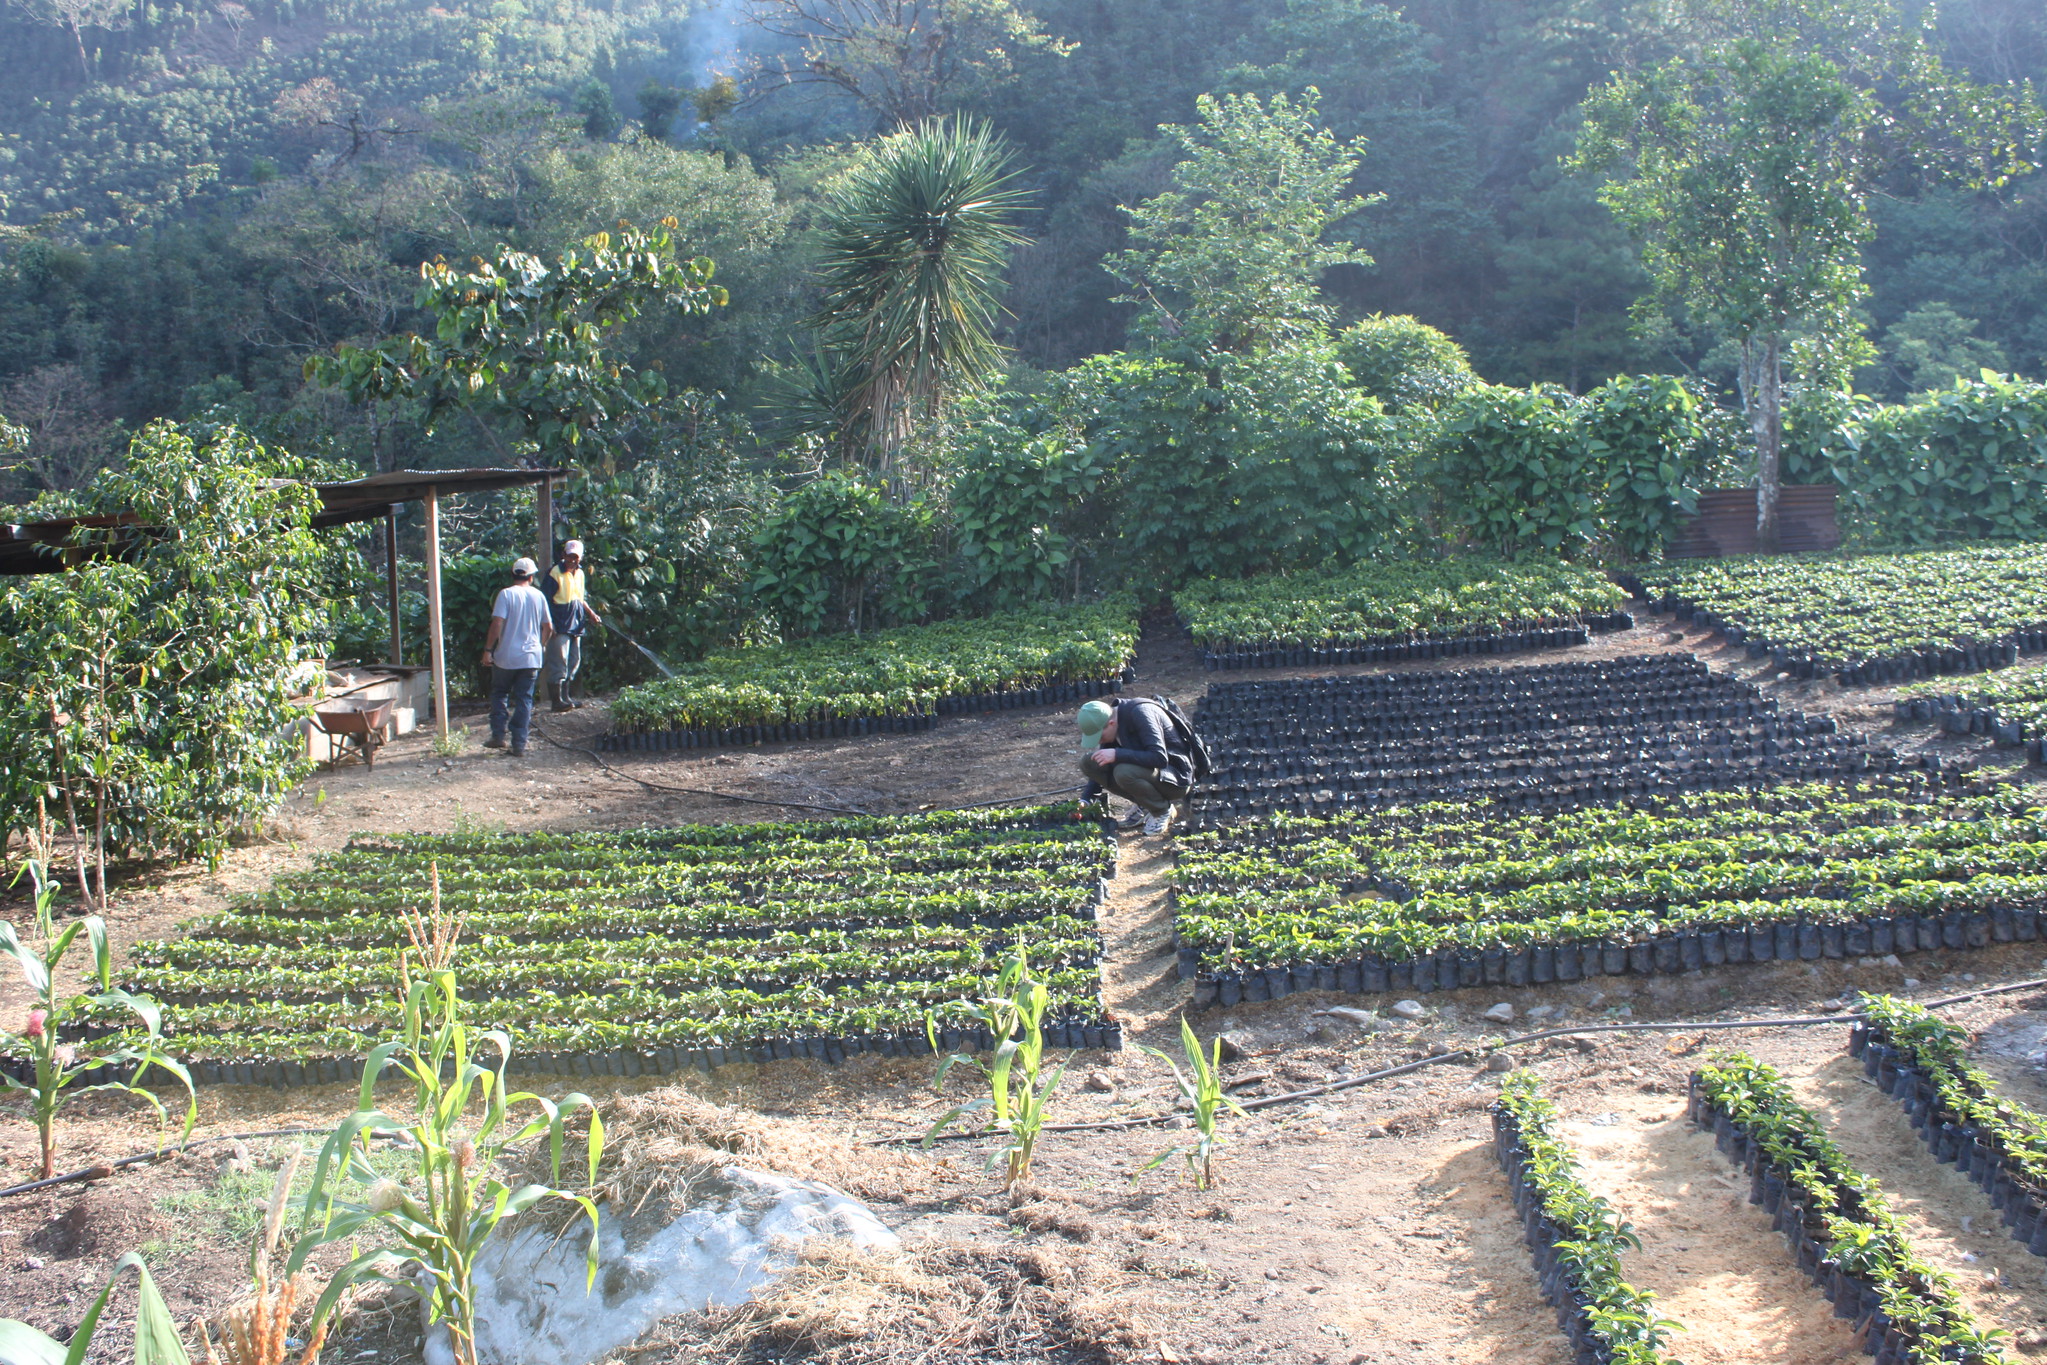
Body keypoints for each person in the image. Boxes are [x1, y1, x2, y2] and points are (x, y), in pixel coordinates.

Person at [1076, 696, 1195, 836]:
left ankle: (1162, 811)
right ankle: (1145, 805)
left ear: (1112, 723)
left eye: (1100, 737)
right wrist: (1085, 800)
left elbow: (1160, 758)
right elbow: (1102, 765)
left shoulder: (1141, 713)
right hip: (1151, 774)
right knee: (1089, 762)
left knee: (1124, 772)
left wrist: (1117, 754)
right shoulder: (1114, 723)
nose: (1100, 741)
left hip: (1174, 778)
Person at [481, 557, 553, 757]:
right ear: (531, 577)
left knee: (500, 693)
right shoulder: (538, 596)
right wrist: (541, 646)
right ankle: (519, 744)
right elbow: (548, 627)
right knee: (524, 699)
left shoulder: (506, 594)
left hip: (506, 656)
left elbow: (497, 624)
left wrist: (488, 649)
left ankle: (498, 736)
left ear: (513, 574)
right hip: (531, 658)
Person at [543, 538, 602, 713]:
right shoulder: (554, 573)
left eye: (576, 558)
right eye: (569, 557)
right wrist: (549, 622)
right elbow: (544, 600)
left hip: (576, 622)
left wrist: (591, 613)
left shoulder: (580, 573)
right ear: (563, 555)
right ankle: (556, 700)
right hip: (560, 622)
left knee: (574, 660)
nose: (572, 560)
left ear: (580, 558)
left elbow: (579, 597)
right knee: (558, 660)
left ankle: (566, 697)